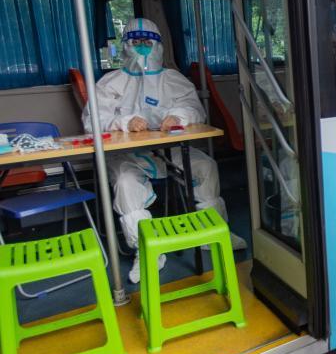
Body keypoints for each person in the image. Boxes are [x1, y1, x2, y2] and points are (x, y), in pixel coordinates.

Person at [84, 18, 246, 284]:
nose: (143, 49)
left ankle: (213, 231)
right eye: (136, 43)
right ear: (125, 46)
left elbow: (194, 108)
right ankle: (146, 250)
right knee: (126, 184)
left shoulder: (172, 79)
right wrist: (124, 122)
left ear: (159, 46)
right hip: (128, 157)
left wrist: (177, 116)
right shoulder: (110, 83)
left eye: (148, 42)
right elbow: (92, 119)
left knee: (206, 166)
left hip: (167, 151)